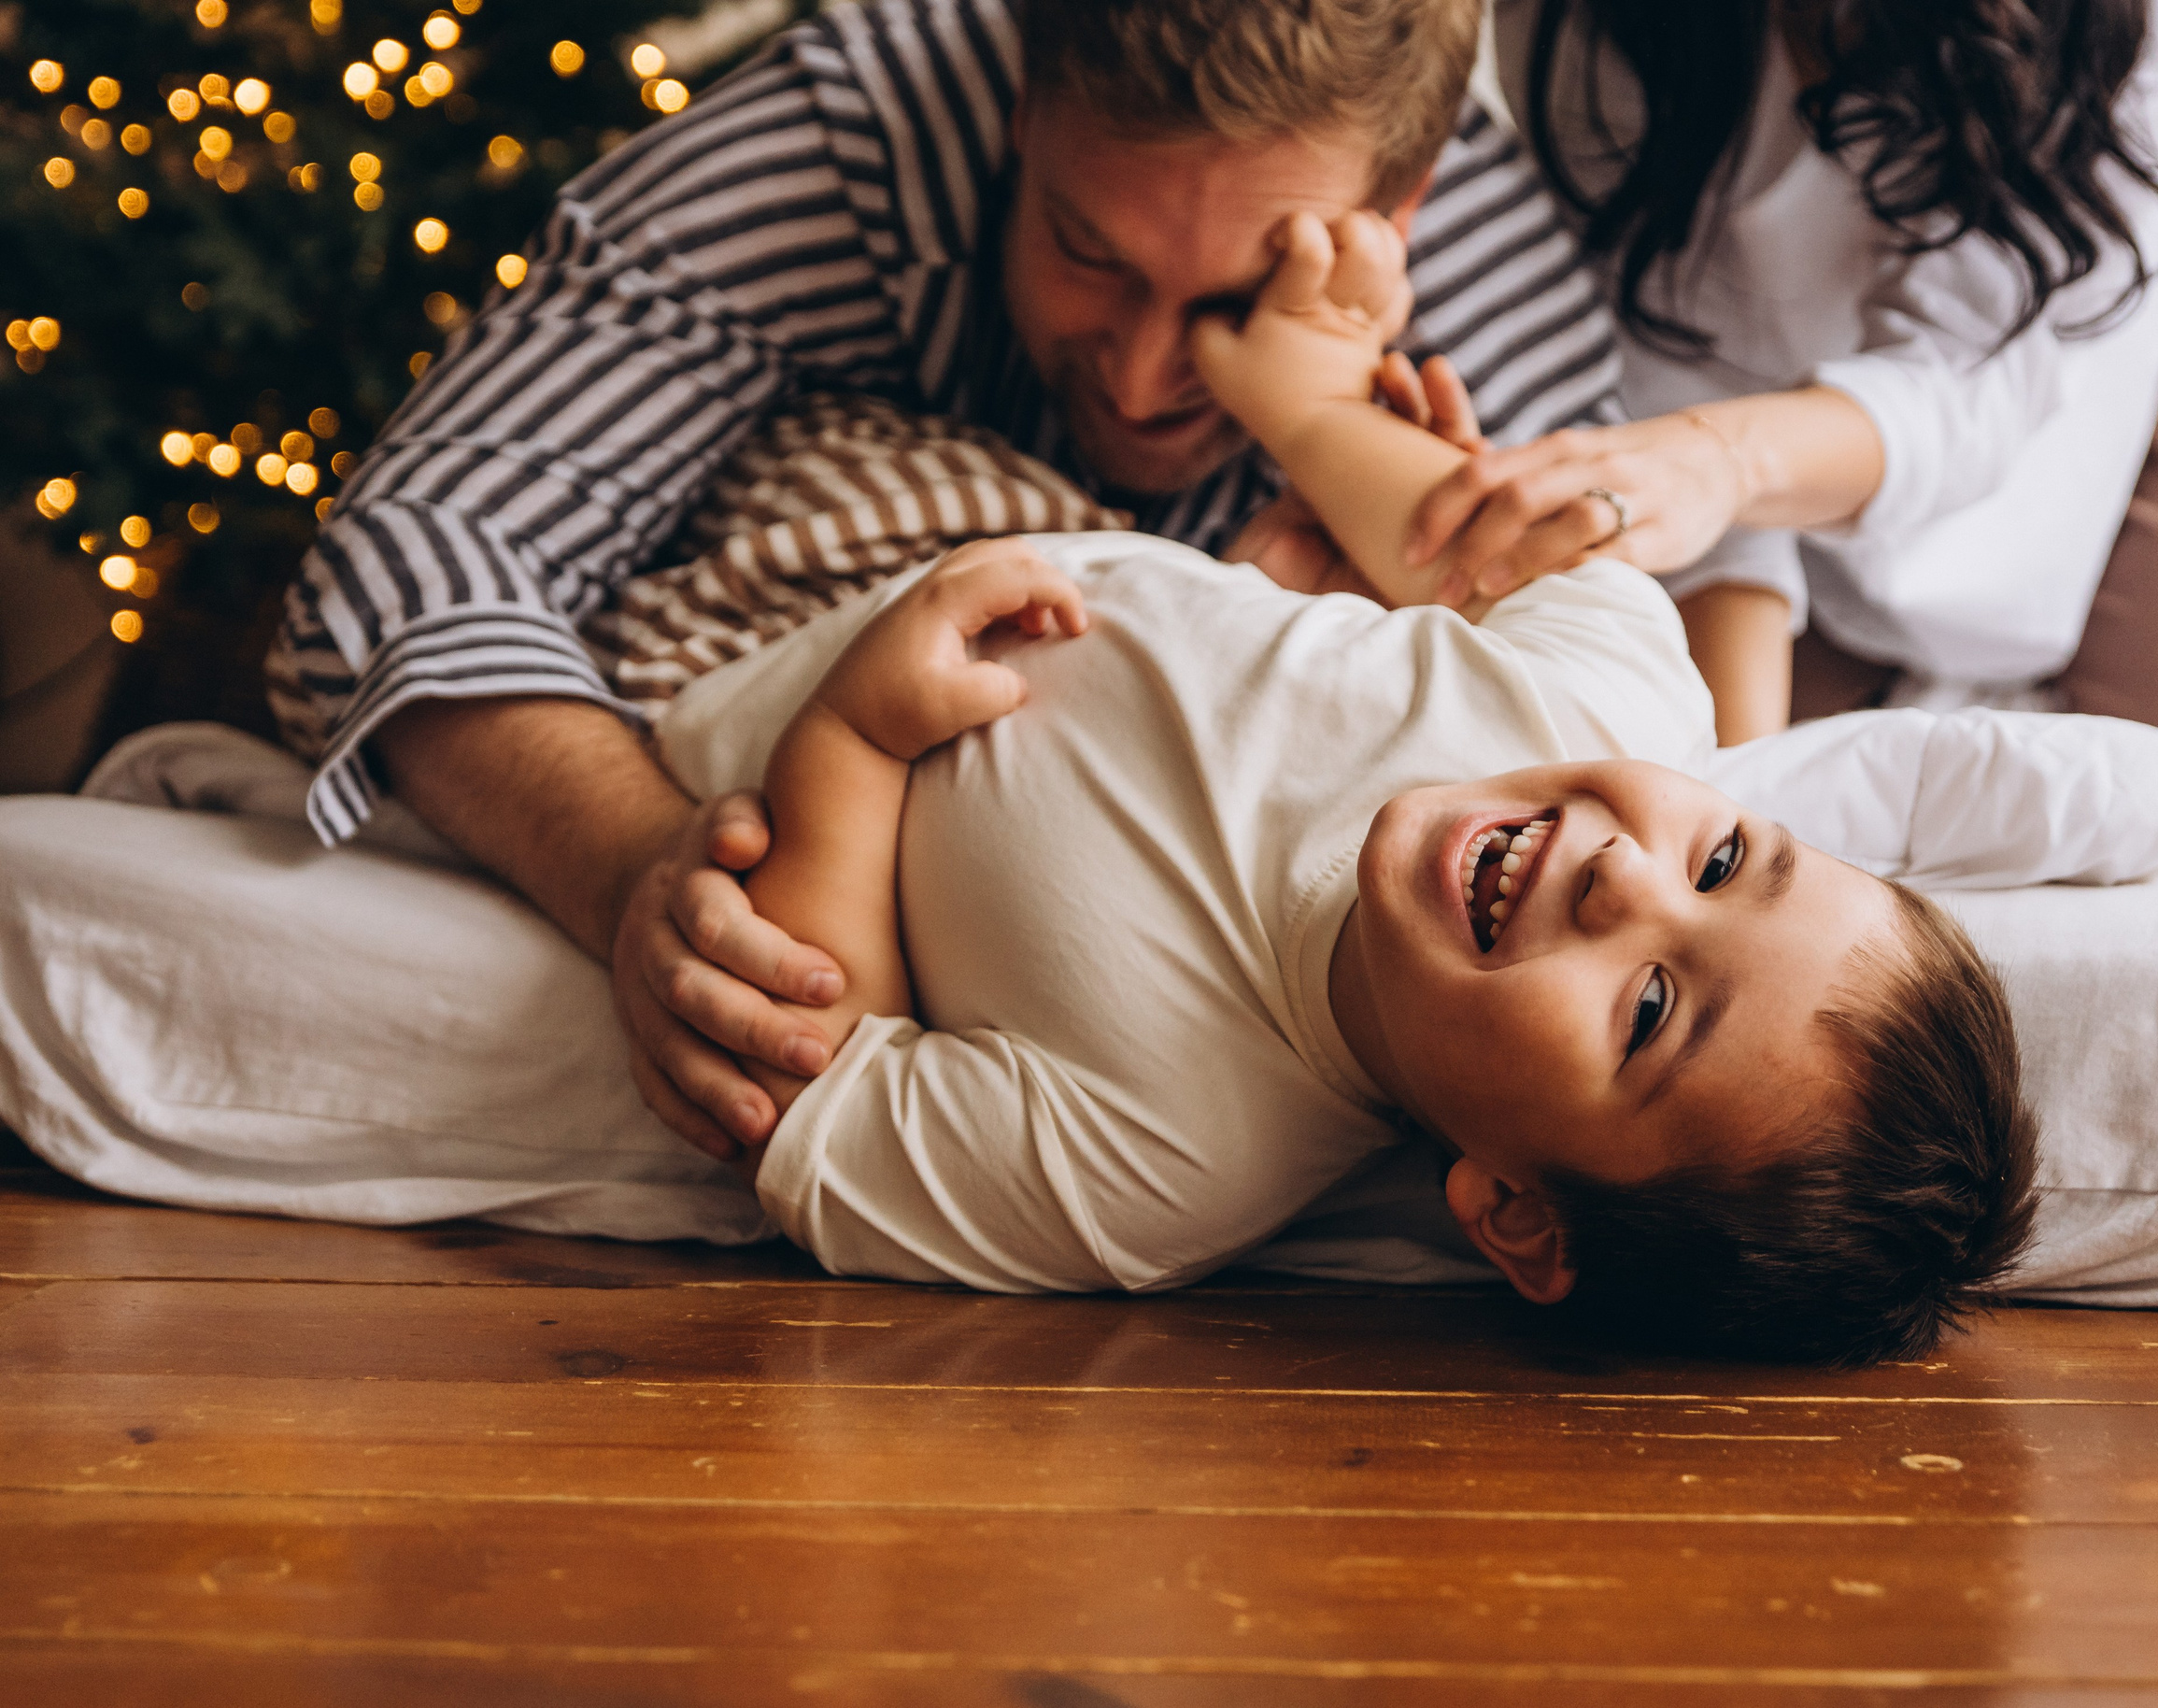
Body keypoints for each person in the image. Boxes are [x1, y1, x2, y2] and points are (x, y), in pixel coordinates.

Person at [261, 0, 1627, 1169]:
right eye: (1090, 253)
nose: (1149, 379)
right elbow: (408, 555)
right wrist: (639, 876)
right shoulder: (836, 139)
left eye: (1234, 299)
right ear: (1023, 102)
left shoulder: (1504, 309)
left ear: (1408, 203)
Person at [674, 207, 2037, 1364]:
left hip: (724, 653)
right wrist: (1311, 406)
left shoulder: (1158, 1164)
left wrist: (854, 740)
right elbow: (1465, 528)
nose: (1630, 873)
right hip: (980, 483)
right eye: (1727, 861)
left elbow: (814, 1092)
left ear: (1516, 1214)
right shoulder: (1606, 693)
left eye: (1654, 1009)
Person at [1395, 0, 2158, 744]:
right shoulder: (1590, 35)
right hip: (1708, 408)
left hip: (2078, 335)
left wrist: (1719, 463)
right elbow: (1663, 379)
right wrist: (1732, 773)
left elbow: (1978, 380)